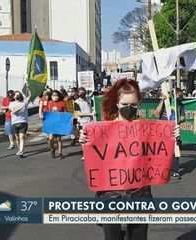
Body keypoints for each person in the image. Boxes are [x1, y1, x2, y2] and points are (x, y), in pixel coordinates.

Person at [80, 79, 154, 240]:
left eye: (133, 105)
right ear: (116, 104)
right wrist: (85, 141)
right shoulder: (102, 130)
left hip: (140, 194)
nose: (129, 108)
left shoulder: (148, 128)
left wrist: (172, 138)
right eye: (125, 104)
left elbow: (158, 155)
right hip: (111, 195)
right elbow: (93, 159)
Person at [153, 88, 183, 179]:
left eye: (180, 96)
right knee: (163, 150)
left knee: (175, 149)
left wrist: (178, 120)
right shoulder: (166, 103)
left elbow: (182, 117)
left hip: (174, 129)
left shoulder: (180, 105)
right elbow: (156, 113)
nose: (180, 97)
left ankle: (175, 170)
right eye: (178, 95)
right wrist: (162, 100)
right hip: (163, 129)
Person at [9, 90, 31, 158]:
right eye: (16, 94)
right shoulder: (11, 103)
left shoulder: (24, 103)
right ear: (14, 96)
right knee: (17, 138)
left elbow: (30, 97)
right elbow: (12, 111)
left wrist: (29, 91)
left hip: (23, 122)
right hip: (14, 122)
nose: (17, 95)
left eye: (18, 94)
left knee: (21, 137)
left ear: (21, 96)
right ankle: (19, 150)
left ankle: (21, 151)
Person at [47, 90, 67, 159]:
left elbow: (65, 113)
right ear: (51, 96)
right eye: (53, 95)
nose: (54, 97)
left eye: (56, 95)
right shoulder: (49, 103)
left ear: (59, 96)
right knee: (50, 138)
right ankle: (52, 149)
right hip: (51, 123)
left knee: (59, 139)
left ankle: (60, 153)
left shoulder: (62, 103)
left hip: (59, 123)